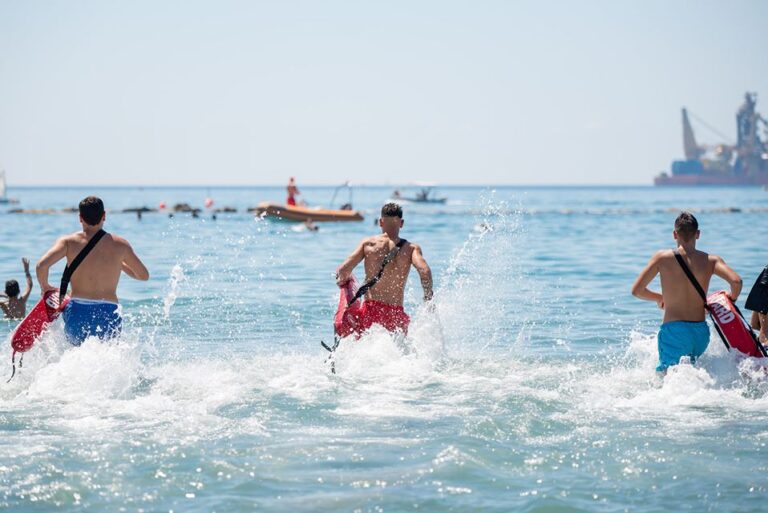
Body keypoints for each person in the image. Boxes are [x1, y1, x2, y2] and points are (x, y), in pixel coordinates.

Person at [631, 211, 742, 373]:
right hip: (700, 334)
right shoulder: (711, 260)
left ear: (675, 234)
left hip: (674, 332)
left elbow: (637, 291)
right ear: (698, 234)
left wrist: (660, 298)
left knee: (668, 378)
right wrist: (732, 298)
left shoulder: (662, 258)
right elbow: (736, 281)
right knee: (691, 375)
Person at [35, 196, 150, 345]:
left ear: (80, 218)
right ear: (104, 216)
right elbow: (143, 276)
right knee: (107, 354)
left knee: (77, 353)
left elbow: (41, 266)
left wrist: (45, 287)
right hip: (108, 312)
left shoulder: (68, 242)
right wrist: (120, 264)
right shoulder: (120, 245)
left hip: (77, 311)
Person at [335, 202, 433, 336]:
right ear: (401, 223)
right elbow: (424, 271)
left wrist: (343, 281)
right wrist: (428, 297)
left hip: (371, 312)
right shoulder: (411, 249)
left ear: (380, 222)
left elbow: (344, 270)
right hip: (396, 314)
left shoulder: (368, 244)